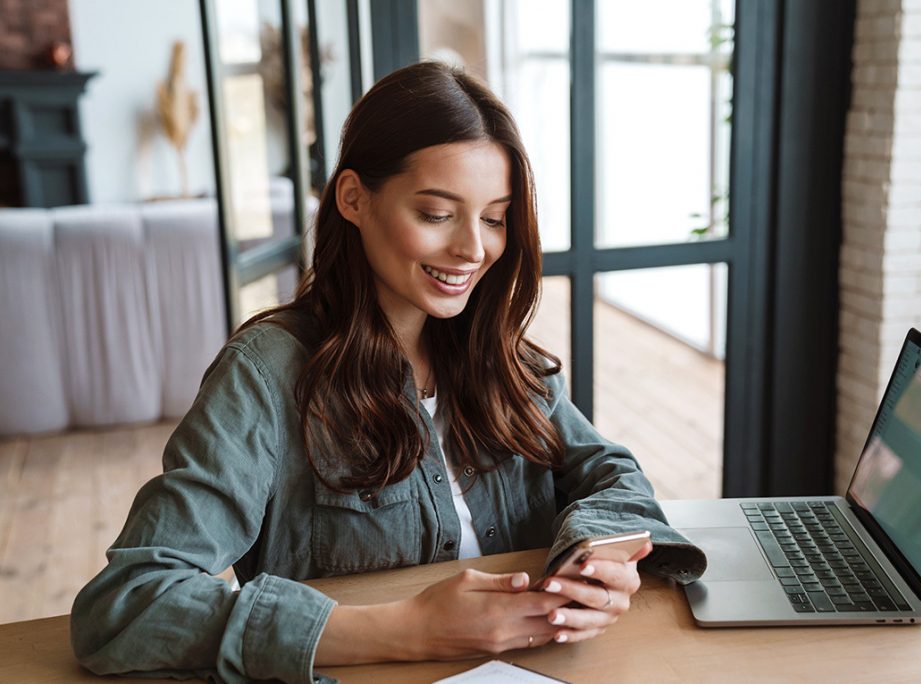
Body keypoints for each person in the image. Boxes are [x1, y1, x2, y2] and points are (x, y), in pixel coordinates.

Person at [70, 61, 706, 684]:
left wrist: (596, 561)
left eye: (493, 217)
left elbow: (612, 475)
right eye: (436, 214)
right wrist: (409, 629)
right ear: (353, 198)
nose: (474, 249)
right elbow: (126, 604)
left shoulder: (499, 357)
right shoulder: (265, 375)